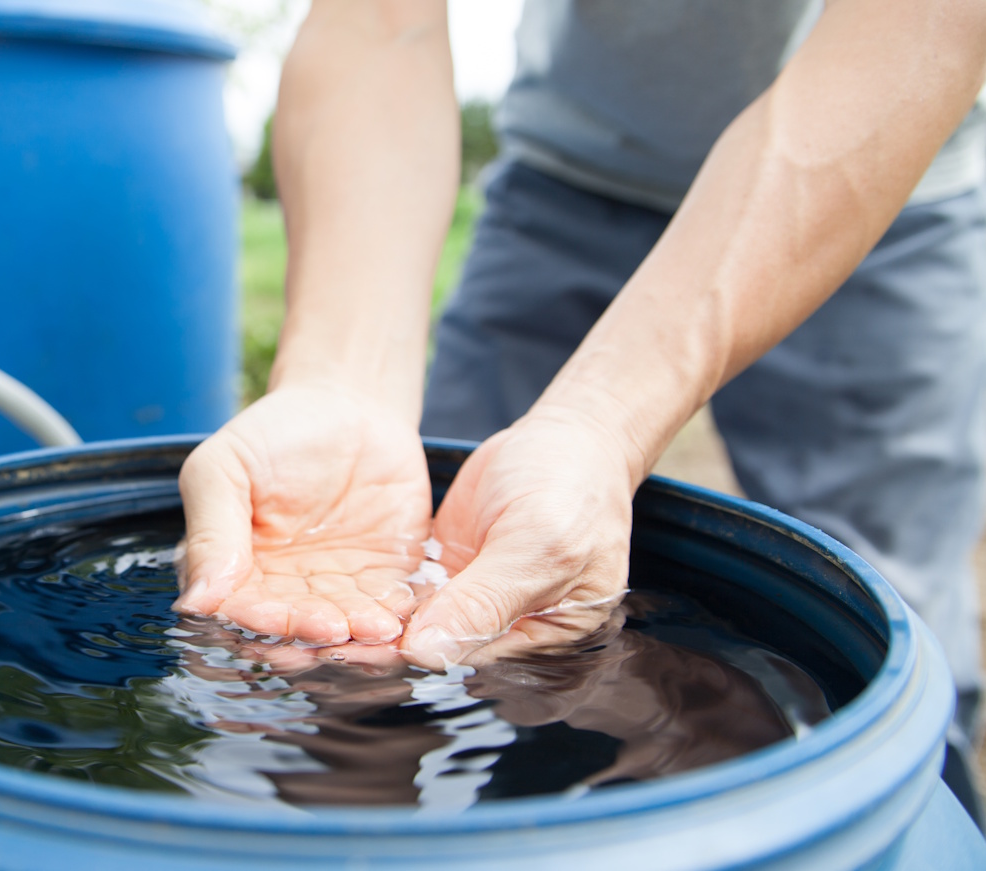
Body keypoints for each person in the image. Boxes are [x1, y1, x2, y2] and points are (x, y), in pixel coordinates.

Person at [173, 0, 986, 817]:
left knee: (879, 633)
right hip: (569, 174)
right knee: (438, 562)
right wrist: (338, 383)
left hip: (882, 175)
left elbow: (923, 27)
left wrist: (601, 426)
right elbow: (384, 24)